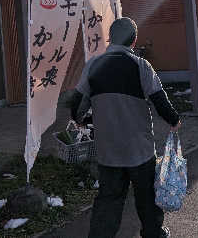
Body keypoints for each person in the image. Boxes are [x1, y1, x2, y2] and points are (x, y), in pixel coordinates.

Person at [71, 17, 180, 238]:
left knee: (109, 199)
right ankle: (153, 233)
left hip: (108, 150)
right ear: (134, 40)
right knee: (147, 197)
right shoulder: (140, 65)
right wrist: (174, 120)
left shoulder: (93, 65)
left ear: (110, 38)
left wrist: (79, 118)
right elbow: (159, 99)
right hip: (139, 149)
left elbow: (77, 102)